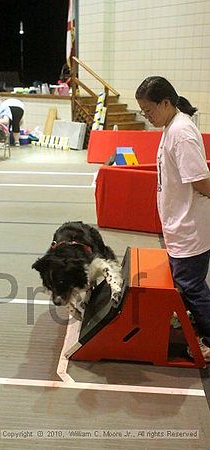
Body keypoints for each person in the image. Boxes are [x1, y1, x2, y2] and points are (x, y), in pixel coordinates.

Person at [135, 76, 210, 362]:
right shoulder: (171, 126)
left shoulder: (182, 133)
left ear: (166, 103)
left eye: (149, 110)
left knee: (193, 288)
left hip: (190, 228)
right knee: (190, 284)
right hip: (180, 225)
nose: (147, 116)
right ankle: (196, 322)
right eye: (143, 112)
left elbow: (201, 181)